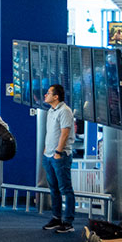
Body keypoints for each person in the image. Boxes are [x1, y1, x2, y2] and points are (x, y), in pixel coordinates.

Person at [41, 84, 75, 233]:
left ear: (56, 97)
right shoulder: (50, 111)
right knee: (54, 188)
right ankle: (56, 217)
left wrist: (58, 152)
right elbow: (51, 132)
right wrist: (46, 150)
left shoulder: (65, 111)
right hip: (49, 155)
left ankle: (68, 222)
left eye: (48, 93)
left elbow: (65, 133)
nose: (45, 95)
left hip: (60, 156)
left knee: (65, 189)